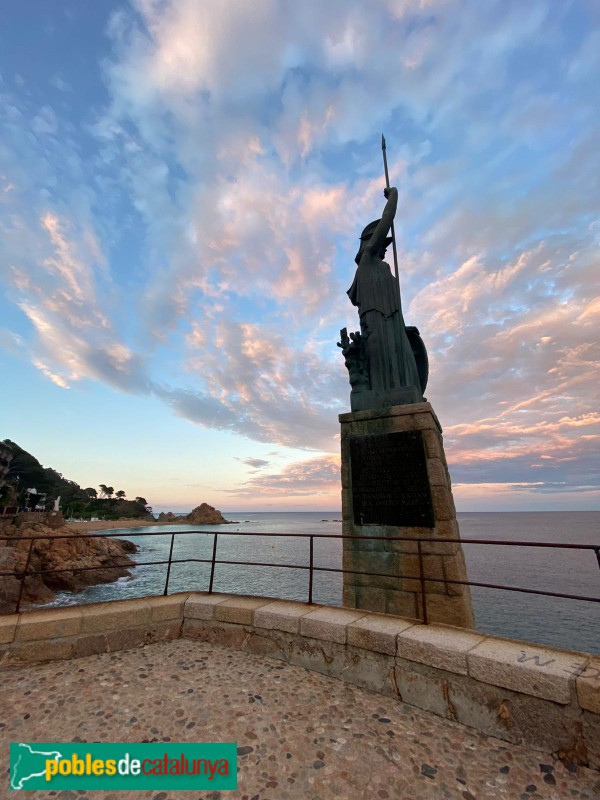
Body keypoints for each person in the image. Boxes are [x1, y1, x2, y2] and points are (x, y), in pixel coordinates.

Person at [347, 187, 422, 399]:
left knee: (404, 360)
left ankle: (407, 395)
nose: (385, 248)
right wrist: (394, 195)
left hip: (393, 319)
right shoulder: (367, 260)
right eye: (382, 243)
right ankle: (382, 398)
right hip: (376, 319)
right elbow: (387, 219)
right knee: (382, 366)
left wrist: (401, 324)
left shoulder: (381, 266)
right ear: (371, 242)